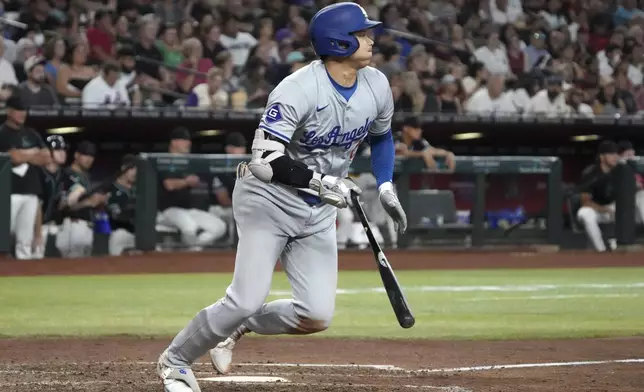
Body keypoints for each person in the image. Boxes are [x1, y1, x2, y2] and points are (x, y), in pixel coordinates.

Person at [155, 4, 407, 391]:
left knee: (316, 315)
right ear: (338, 41)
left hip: (321, 207)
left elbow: (382, 135)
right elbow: (265, 160)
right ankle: (175, 362)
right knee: (243, 297)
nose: (371, 39)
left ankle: (239, 326)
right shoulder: (298, 88)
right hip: (269, 200)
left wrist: (386, 185)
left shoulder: (375, 84)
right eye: (362, 33)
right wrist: (324, 182)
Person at [155, 127, 228, 250]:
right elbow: (169, 185)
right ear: (174, 142)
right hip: (168, 210)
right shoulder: (164, 160)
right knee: (190, 227)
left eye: (188, 140)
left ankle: (191, 252)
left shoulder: (188, 162)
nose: (188, 143)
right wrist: (187, 182)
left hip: (189, 210)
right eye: (184, 140)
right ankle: (189, 255)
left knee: (219, 227)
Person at [0, 94, 50, 259]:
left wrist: (23, 154)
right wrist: (32, 153)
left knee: (25, 241)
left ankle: (23, 275)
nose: (22, 114)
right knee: (3, 237)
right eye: (18, 110)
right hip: (9, 192)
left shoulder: (31, 133)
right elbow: (13, 157)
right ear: (8, 111)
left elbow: (46, 157)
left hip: (30, 190)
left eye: (24, 110)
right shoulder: (2, 133)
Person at [576, 141, 644, 252]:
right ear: (602, 157)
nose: (615, 157)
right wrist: (606, 210)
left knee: (642, 195)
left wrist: (635, 185)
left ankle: (620, 244)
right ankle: (601, 250)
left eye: (616, 154)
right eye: (611, 154)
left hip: (616, 209)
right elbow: (585, 201)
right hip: (598, 209)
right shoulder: (591, 173)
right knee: (585, 213)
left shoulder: (622, 170)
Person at [56, 141, 108, 258]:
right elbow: (61, 205)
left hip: (87, 225)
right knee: (72, 267)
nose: (89, 159)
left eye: (92, 156)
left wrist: (98, 201)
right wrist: (88, 202)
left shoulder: (86, 176)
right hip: (72, 224)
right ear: (76, 155)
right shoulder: (66, 174)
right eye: (85, 155)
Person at [33, 135, 68, 259]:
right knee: (34, 259)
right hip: (35, 226)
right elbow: (37, 204)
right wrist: (38, 233)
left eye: (63, 150)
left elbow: (62, 202)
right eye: (58, 150)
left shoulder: (64, 174)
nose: (62, 153)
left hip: (54, 225)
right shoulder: (38, 172)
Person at [107, 154, 138, 256]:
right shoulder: (111, 189)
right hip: (120, 234)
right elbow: (117, 215)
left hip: (139, 235)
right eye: (131, 168)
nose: (135, 172)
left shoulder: (140, 189)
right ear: (123, 169)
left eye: (137, 169)